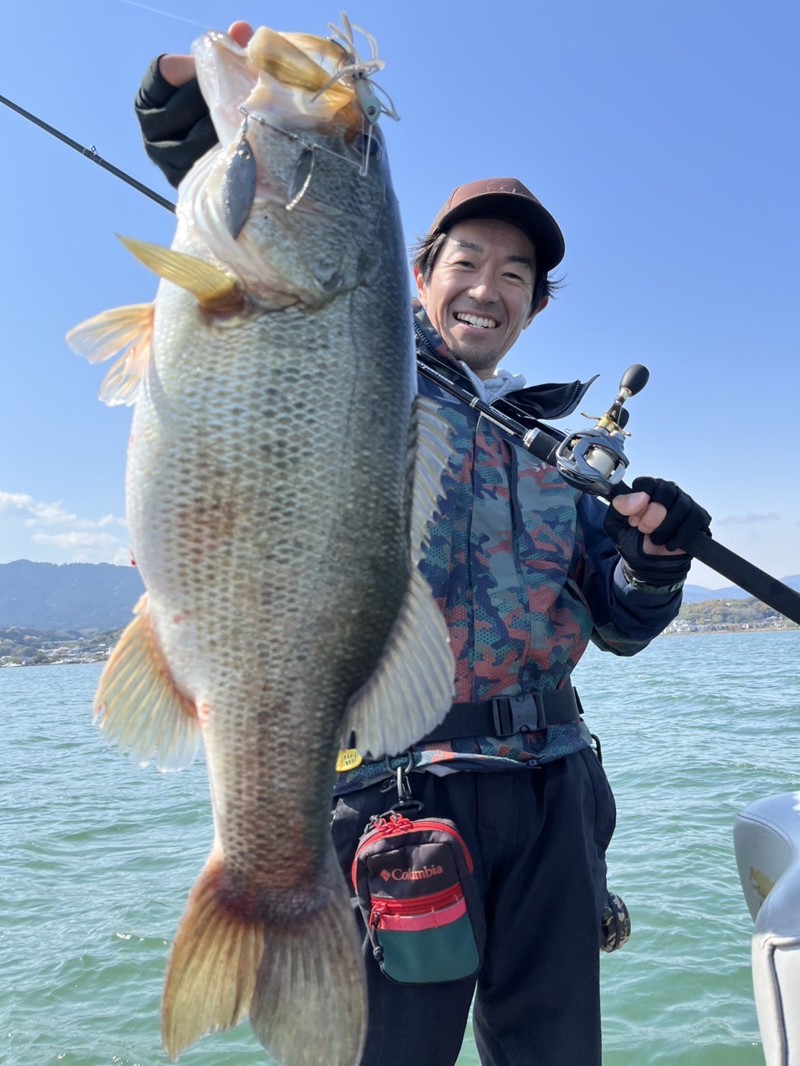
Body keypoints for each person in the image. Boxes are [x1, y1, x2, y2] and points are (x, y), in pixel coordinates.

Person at [135, 24, 711, 1066]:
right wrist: (180, 107)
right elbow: (250, 225)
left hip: (554, 792)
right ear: (418, 275)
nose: (487, 287)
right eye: (466, 262)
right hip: (396, 793)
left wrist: (658, 557)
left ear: (535, 305)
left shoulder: (557, 447)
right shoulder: (368, 366)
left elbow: (621, 620)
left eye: (516, 275)